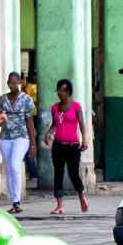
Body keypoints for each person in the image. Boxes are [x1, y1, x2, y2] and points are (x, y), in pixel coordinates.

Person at [39, 79, 90, 215]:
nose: (60, 93)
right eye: (59, 90)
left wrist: (84, 140)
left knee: (73, 174)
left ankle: (81, 195)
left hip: (73, 145)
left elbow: (82, 124)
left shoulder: (76, 106)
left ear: (68, 92)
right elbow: (55, 124)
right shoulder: (55, 107)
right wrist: (48, 133)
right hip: (58, 145)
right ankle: (59, 205)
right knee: (58, 173)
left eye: (63, 91)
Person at [0, 72, 37, 214]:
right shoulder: (2, 99)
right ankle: (14, 201)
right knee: (9, 168)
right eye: (10, 82)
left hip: (21, 137)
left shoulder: (27, 100)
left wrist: (33, 144)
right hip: (5, 137)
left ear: (20, 83)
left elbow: (30, 123)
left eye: (15, 82)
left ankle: (17, 200)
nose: (13, 85)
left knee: (15, 164)